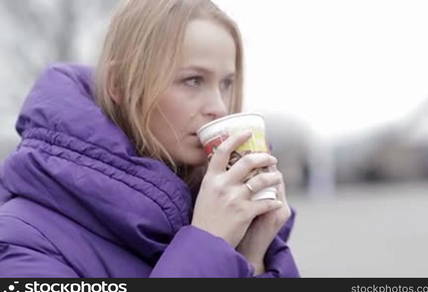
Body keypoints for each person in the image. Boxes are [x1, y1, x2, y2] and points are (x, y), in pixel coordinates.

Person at [0, 0, 299, 277]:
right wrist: (208, 244)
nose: (219, 107)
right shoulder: (22, 238)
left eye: (226, 83)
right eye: (193, 80)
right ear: (120, 85)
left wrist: (251, 258)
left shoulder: (217, 211)